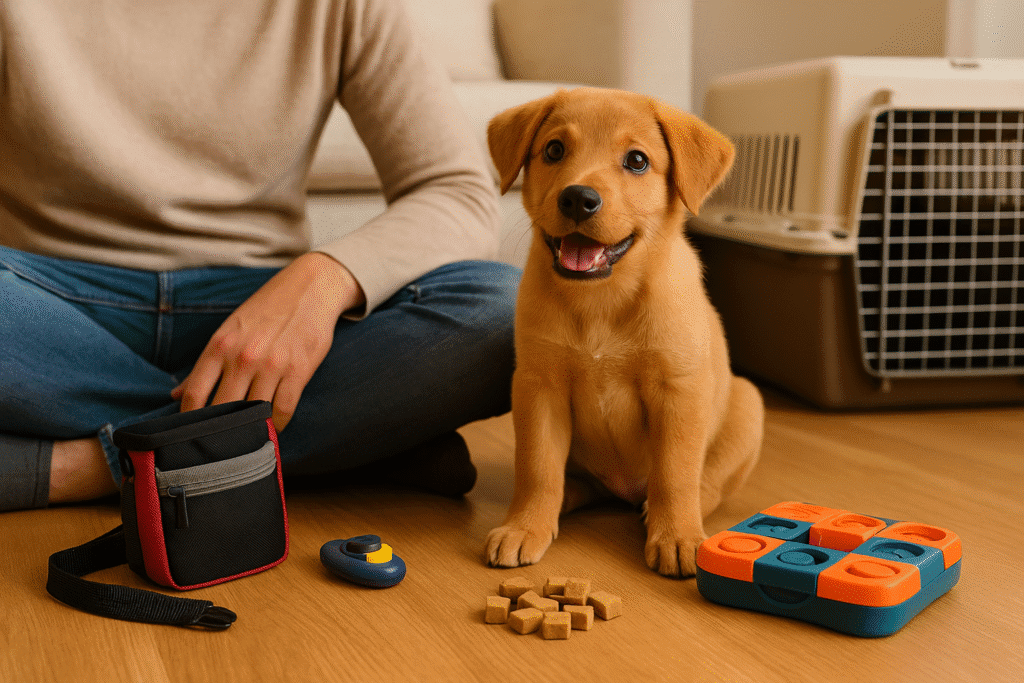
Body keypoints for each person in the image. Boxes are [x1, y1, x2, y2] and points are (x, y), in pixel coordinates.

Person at [0, 0, 521, 512]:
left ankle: (84, 469)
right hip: (50, 313)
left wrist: (325, 280)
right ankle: (343, 442)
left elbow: (457, 192)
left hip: (263, 316)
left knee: (506, 311)